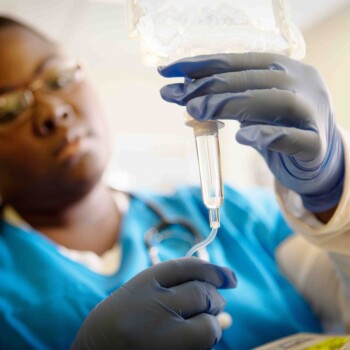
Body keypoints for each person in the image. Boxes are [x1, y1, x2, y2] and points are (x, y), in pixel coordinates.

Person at [0, 14, 349, 350]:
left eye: (58, 79)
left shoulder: (239, 216)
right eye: (8, 109)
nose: (52, 111)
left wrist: (334, 197)